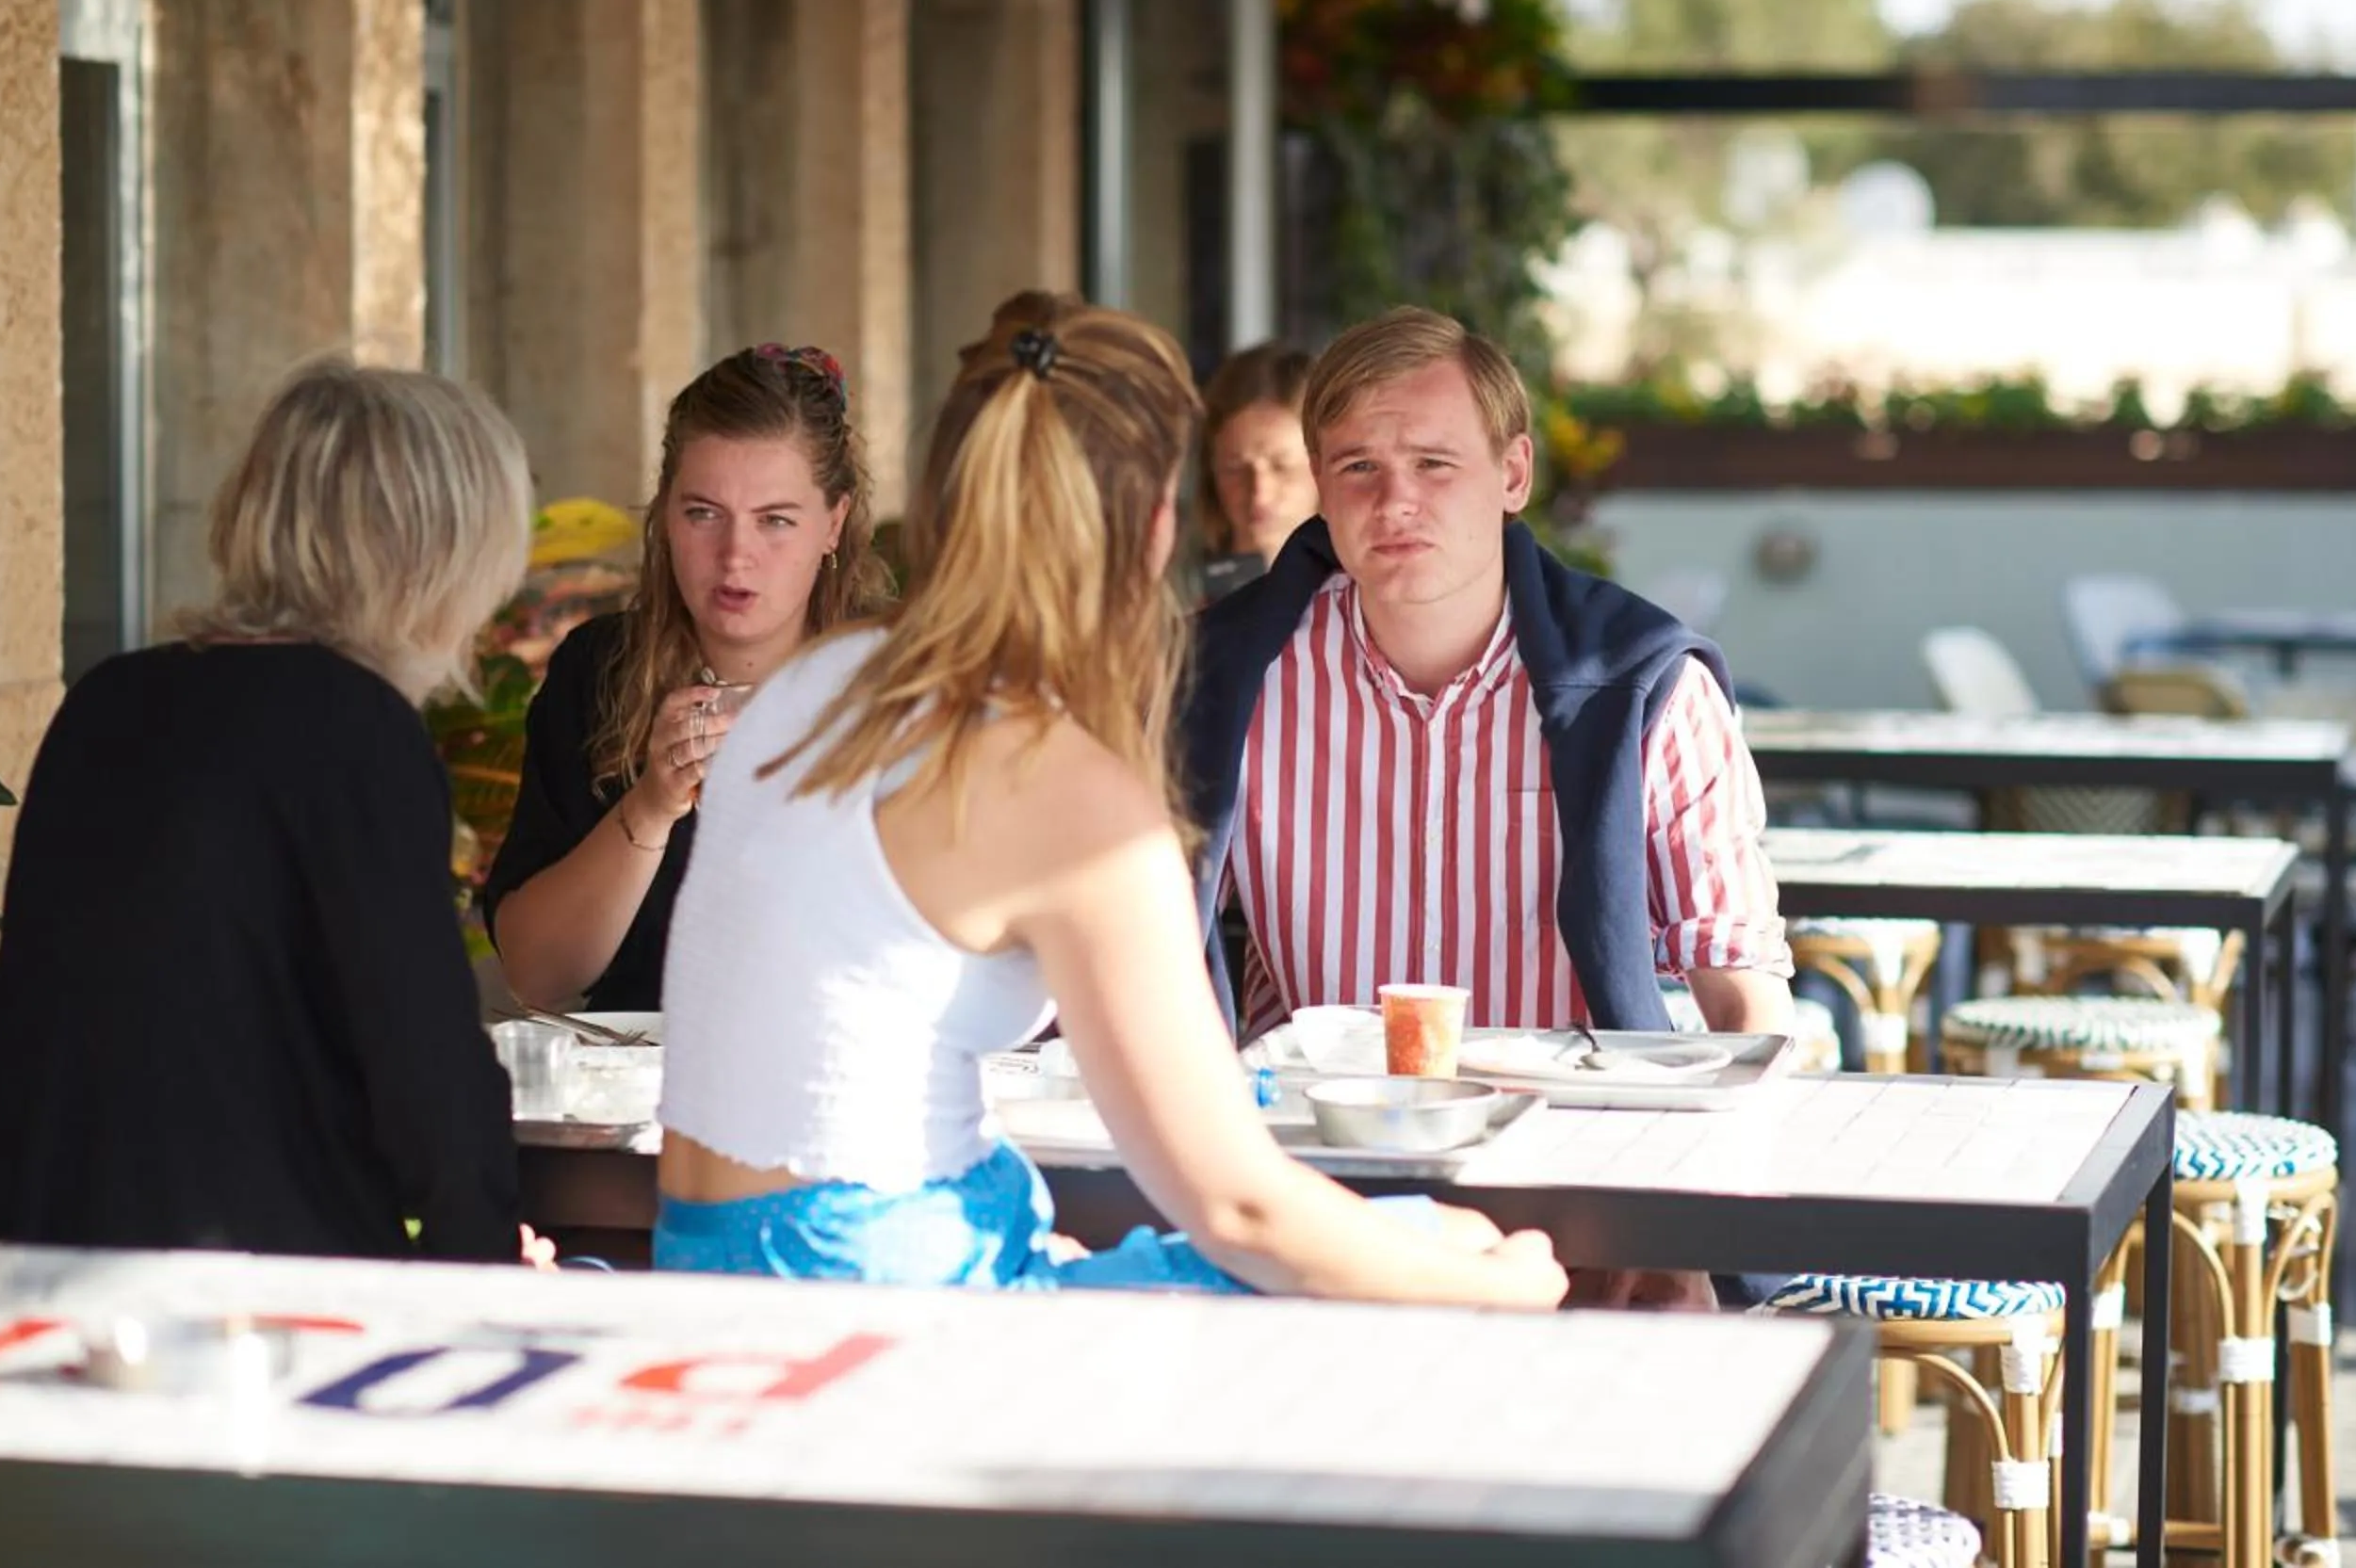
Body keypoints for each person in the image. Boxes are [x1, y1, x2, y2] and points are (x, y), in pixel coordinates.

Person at [647, 292, 1566, 1307]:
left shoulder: (815, 685)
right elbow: (1240, 1209)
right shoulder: (1065, 789)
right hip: (891, 1321)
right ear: (1158, 523)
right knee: (1452, 1253)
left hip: (710, 1268)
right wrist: (1510, 1284)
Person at [1180, 309, 1795, 1308]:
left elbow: (1742, 994)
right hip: (1310, 1197)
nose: (1397, 502)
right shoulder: (1219, 680)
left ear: (1513, 475)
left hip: (1581, 1199)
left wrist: (1711, 1231)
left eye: (1435, 463)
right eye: (1359, 469)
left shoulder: (1644, 686)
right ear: (1321, 488)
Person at [0, 362, 542, 1264]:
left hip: (41, 1261)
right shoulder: (351, 728)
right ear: (440, 555)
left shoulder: (111, 699)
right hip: (246, 1299)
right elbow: (426, 1077)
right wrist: (486, 1284)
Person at [484, 344, 887, 1012]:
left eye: (776, 521)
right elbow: (537, 975)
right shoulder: (600, 670)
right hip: (647, 1095)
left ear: (834, 524)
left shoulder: (901, 679)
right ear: (665, 514)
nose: (735, 556)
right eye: (703, 513)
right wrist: (651, 805)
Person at [1196, 342, 1318, 602]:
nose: (1259, 493)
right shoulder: (1179, 595)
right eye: (1234, 468)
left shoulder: (1366, 600)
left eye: (1281, 466)